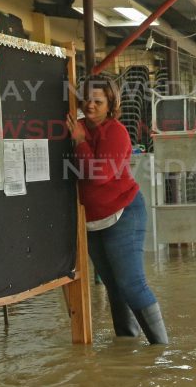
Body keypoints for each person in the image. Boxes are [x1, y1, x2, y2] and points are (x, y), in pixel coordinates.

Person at [66, 77, 168, 344]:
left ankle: (160, 349)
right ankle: (126, 347)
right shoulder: (76, 127)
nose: (90, 106)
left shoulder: (116, 132)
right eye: (87, 99)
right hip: (92, 220)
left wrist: (80, 142)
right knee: (114, 287)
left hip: (123, 214)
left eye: (98, 102)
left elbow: (99, 175)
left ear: (111, 105)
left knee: (132, 285)